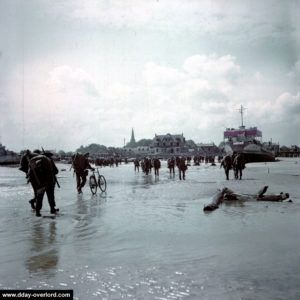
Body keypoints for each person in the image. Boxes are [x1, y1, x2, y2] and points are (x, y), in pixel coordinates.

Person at [26, 151, 59, 217]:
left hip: (40, 183)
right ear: (49, 155)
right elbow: (56, 171)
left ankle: (37, 212)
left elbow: (31, 173)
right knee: (51, 196)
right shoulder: (50, 161)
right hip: (50, 182)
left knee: (39, 197)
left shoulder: (36, 161)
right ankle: (52, 209)